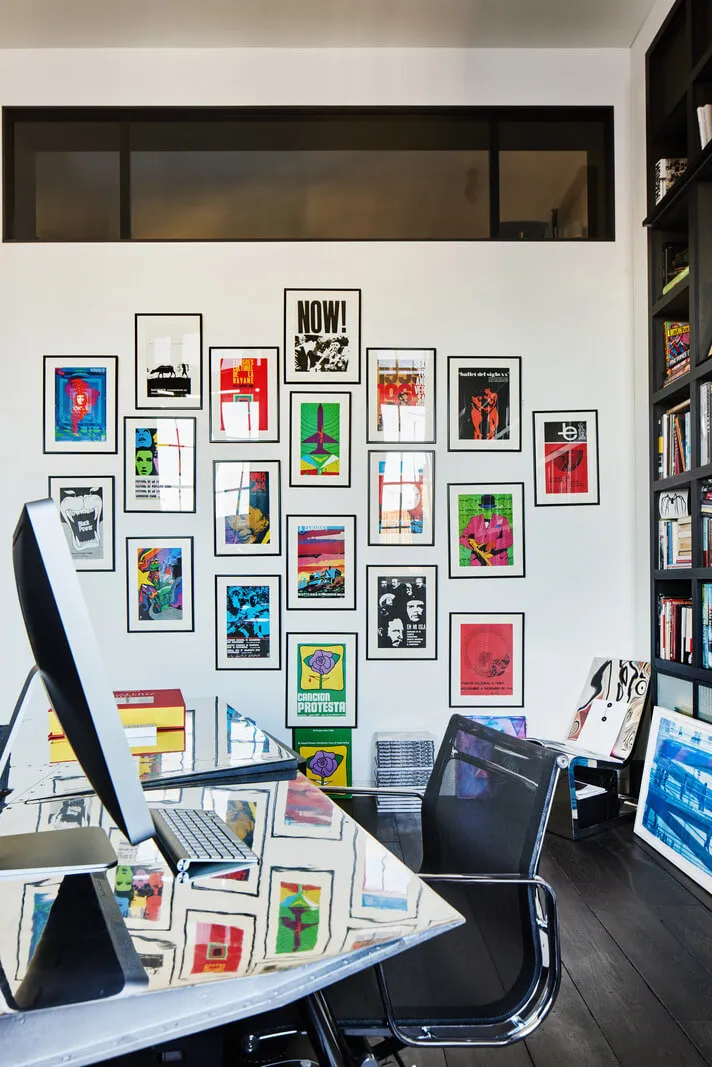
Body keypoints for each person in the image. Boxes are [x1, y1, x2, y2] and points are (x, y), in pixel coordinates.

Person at [459, 494, 513, 567]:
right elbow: (462, 538)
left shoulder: (502, 520)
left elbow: (509, 540)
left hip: (498, 561)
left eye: (490, 508)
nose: (487, 511)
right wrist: (475, 546)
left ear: (493, 508)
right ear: (481, 508)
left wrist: (489, 545)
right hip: (477, 562)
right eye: (485, 508)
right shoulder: (474, 520)